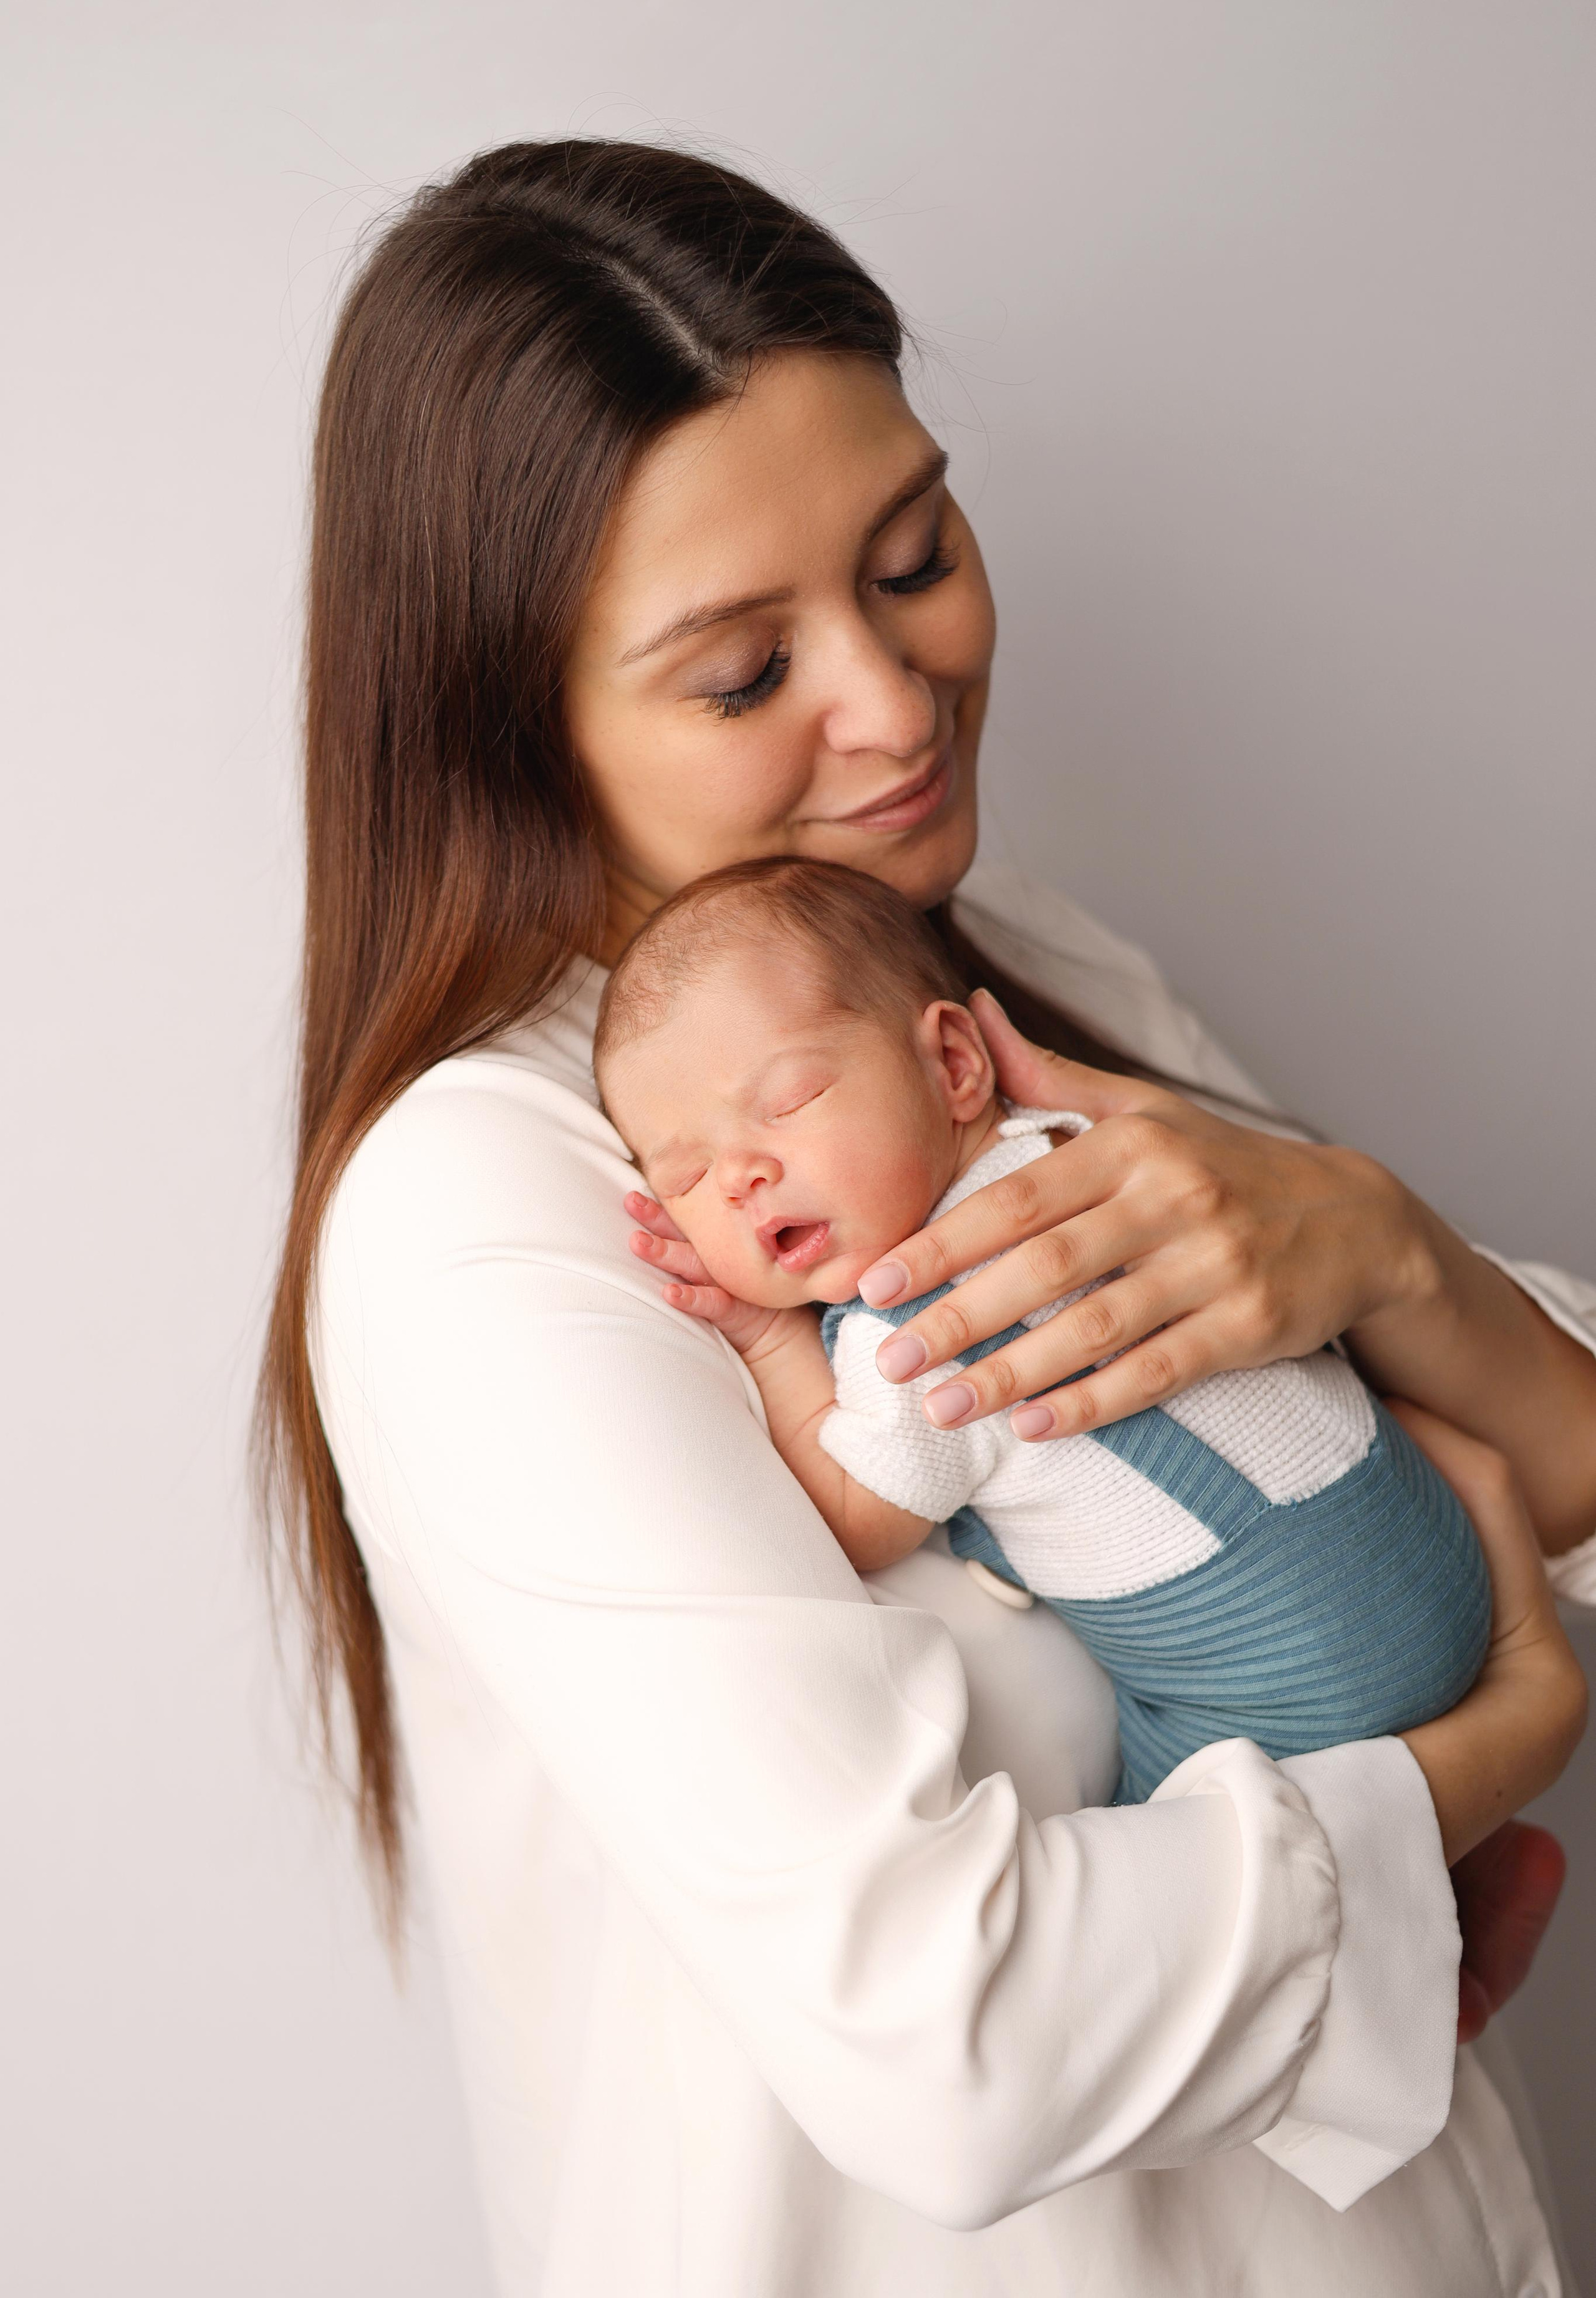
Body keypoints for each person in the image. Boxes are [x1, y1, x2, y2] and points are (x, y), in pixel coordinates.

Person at [257, 137, 1596, 2296]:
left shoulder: (1013, 973)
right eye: (736, 672)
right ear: (511, 725)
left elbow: (1527, 1455)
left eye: (912, 553)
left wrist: (1389, 1250)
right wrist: (1488, 1756)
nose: (895, 706)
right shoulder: (490, 1220)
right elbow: (955, 2041)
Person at [592, 853, 1496, 1806]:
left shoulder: (912, 1323)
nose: (740, 1177)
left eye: (788, 1104)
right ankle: (1467, 1901)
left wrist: (769, 1340)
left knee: (1159, 1831)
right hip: (1432, 1541)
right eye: (687, 1177)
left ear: (953, 1063)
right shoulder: (1107, 1155)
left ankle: (1429, 1932)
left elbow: (862, 1524)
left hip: (1278, 1673)